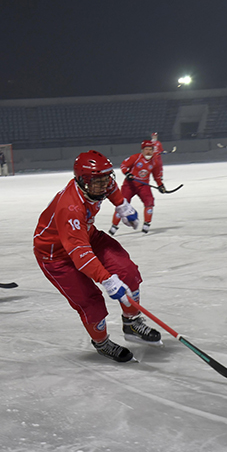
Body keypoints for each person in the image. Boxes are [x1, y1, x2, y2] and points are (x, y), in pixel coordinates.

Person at [33, 150, 162, 363]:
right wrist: (107, 279)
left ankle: (131, 322)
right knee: (91, 301)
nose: (104, 186)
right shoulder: (70, 207)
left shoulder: (98, 182)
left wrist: (122, 205)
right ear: (83, 181)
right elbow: (80, 253)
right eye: (98, 182)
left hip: (87, 236)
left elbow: (111, 188)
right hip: (56, 256)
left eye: (106, 179)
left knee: (127, 271)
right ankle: (102, 343)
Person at [109, 140, 165, 235]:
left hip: (143, 185)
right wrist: (128, 174)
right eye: (146, 149)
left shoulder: (155, 161)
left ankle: (147, 224)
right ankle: (114, 226)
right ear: (142, 150)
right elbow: (124, 165)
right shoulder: (135, 158)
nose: (148, 152)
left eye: (150, 149)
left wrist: (160, 185)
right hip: (130, 185)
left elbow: (156, 175)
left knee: (149, 202)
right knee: (121, 205)